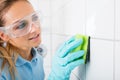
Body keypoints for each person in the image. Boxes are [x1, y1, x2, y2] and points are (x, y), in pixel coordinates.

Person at [0, 0, 85, 80]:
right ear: (4, 35)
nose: (35, 28)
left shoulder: (37, 56)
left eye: (35, 17)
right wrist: (55, 77)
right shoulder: (2, 70)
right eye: (21, 25)